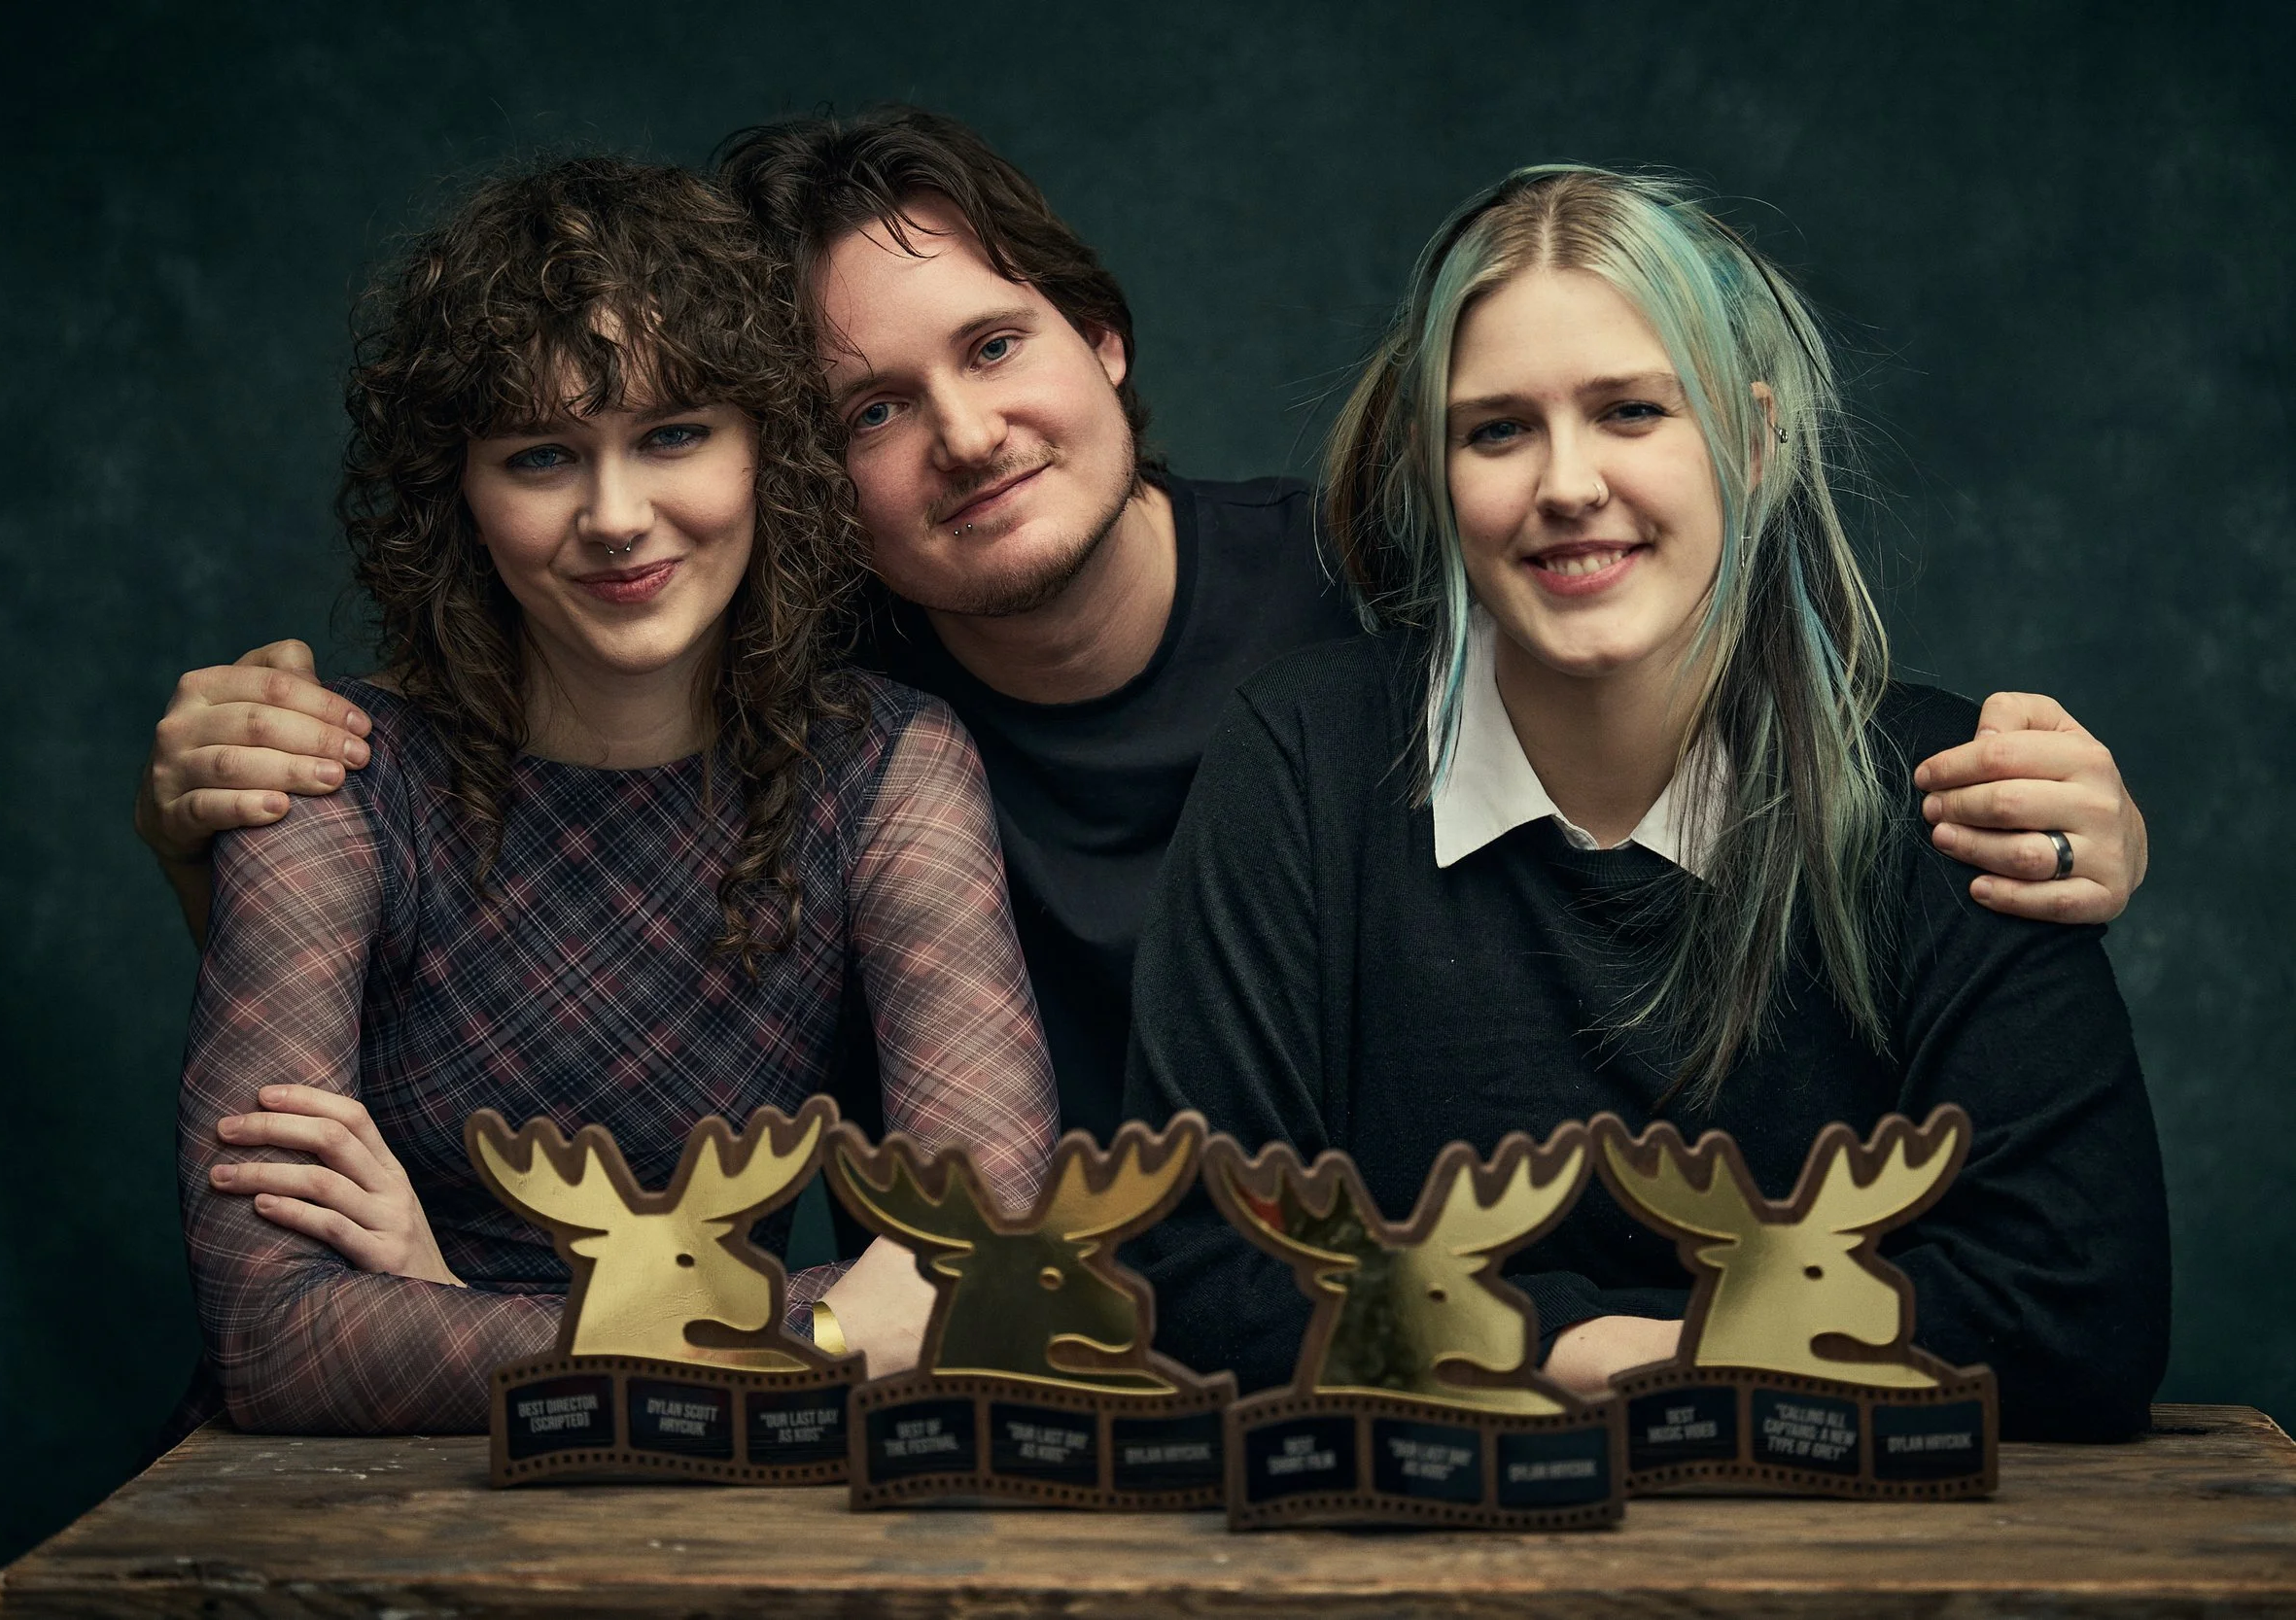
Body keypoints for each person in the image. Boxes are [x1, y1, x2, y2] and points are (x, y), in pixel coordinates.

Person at [134, 109, 2151, 1151]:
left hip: (1401, 1336)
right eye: (866, 409)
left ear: (1098, 334)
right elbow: (518, 898)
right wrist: (219, 819)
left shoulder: (1378, 586)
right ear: (804, 476)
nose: (965, 433)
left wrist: (2044, 816)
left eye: (992, 343)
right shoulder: (823, 721)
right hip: (1006, 1374)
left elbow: (1685, 662)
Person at [1124, 166, 2169, 1440]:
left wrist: (1654, 1351)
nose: (1568, 483)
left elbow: (2080, 1317)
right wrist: (1584, 1349)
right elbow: (1197, 1275)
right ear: (1438, 472)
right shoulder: (1302, 760)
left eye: (1630, 410)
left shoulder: (1946, 793)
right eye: (1497, 430)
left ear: (1756, 441)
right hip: (1423, 1536)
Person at [177, 156, 1055, 1433]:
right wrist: (809, 1332)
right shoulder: (332, 781)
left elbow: (976, 1277)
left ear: (768, 450)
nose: (616, 515)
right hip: (354, 1515)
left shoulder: (884, 769)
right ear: (460, 494)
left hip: (706, 1489)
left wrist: (441, 1310)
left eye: (673, 436)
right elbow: (272, 1342)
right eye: (541, 456)